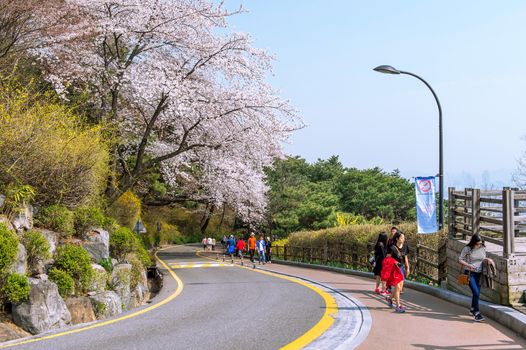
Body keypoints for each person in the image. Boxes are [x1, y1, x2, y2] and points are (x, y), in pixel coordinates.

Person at [459, 234, 486, 322]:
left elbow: (483, 259)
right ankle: (477, 313)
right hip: (470, 273)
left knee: (476, 293)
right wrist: (469, 265)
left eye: (480, 243)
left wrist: (488, 260)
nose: (479, 245)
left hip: (479, 273)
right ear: (473, 242)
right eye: (477, 244)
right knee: (476, 292)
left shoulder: (482, 248)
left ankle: (472, 309)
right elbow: (460, 259)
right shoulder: (467, 249)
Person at [386, 231, 407, 313]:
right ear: (397, 239)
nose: (403, 239)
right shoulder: (391, 248)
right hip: (394, 269)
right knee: (397, 287)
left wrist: (407, 267)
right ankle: (398, 306)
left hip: (401, 268)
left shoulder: (405, 247)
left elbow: (405, 257)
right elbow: (387, 258)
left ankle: (389, 298)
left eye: (404, 238)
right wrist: (394, 262)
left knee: (400, 288)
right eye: (402, 238)